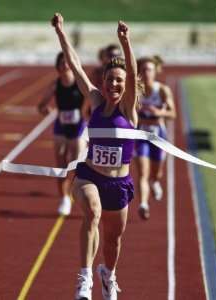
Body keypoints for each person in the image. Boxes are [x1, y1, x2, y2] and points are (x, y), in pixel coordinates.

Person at [51, 13, 138, 300]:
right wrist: (61, 33)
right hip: (89, 175)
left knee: (113, 240)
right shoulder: (96, 101)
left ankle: (107, 275)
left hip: (118, 183)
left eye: (119, 81)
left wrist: (125, 44)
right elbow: (75, 67)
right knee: (92, 211)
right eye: (110, 79)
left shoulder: (128, 110)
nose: (114, 84)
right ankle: (85, 279)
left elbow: (133, 75)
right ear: (103, 81)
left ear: (127, 86)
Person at [38, 52, 89, 216]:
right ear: (57, 67)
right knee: (60, 165)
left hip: (78, 126)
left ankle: (80, 195)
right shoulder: (55, 85)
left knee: (77, 164)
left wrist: (83, 112)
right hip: (61, 126)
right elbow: (41, 105)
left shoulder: (79, 84)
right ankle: (64, 198)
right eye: (61, 63)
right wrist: (46, 110)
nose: (65, 66)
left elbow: (91, 100)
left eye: (67, 63)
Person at [134, 55, 176, 220]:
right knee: (142, 173)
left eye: (149, 69)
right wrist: (141, 116)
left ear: (155, 71)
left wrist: (160, 113)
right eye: (143, 69)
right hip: (142, 135)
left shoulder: (163, 90)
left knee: (156, 173)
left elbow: (173, 113)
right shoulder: (137, 91)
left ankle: (155, 182)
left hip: (159, 135)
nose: (146, 72)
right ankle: (143, 204)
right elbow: (131, 114)